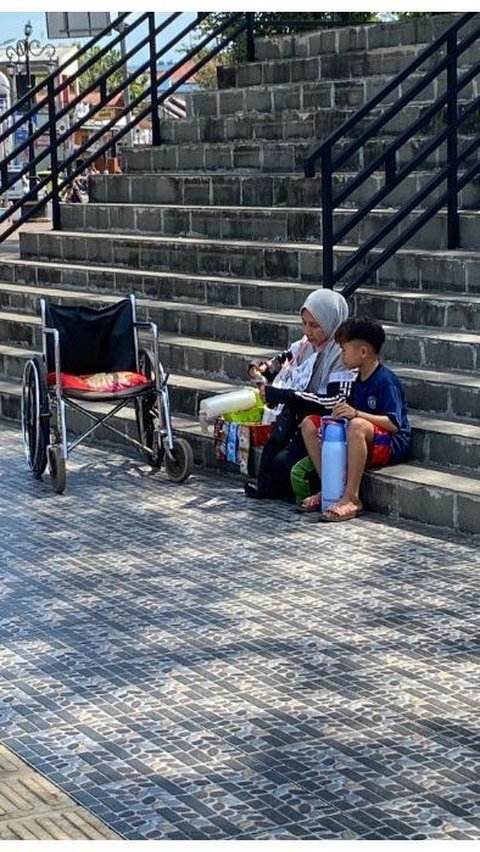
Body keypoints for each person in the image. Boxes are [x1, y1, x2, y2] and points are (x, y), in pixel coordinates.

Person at [244, 288, 356, 501]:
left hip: (324, 424)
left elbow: (333, 401)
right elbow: (278, 363)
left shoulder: (342, 353)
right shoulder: (306, 346)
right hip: (297, 417)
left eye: (315, 325)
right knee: (273, 451)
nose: (308, 331)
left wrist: (286, 395)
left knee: (284, 465)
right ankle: (266, 488)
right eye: (304, 323)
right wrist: (259, 368)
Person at [299, 316, 412, 521]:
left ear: (362, 352)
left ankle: (352, 497)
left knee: (357, 426)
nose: (341, 355)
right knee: (310, 425)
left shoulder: (385, 381)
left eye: (344, 349)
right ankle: (331, 488)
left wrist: (356, 414)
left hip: (391, 443)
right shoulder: (355, 378)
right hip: (362, 436)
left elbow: (394, 425)